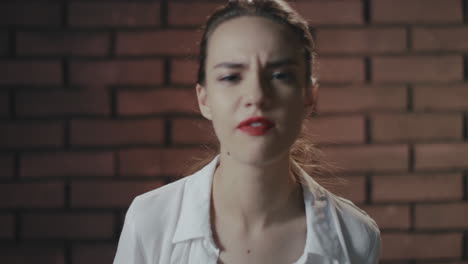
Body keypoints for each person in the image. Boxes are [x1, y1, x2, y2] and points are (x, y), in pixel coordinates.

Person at [113, 0, 381, 263]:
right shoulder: (149, 220)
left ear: (308, 96)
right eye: (231, 77)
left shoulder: (356, 237)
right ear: (204, 99)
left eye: (280, 75)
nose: (256, 95)